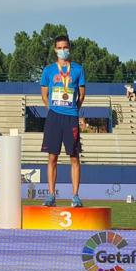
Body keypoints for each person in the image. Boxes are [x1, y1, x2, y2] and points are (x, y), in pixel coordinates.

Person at [40, 35, 86, 207]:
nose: (62, 50)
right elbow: (44, 95)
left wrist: (73, 110)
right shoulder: (49, 70)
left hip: (71, 116)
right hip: (54, 117)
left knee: (74, 157)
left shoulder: (78, 70)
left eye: (65, 47)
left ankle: (75, 196)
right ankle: (51, 195)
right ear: (55, 49)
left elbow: (81, 95)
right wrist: (51, 109)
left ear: (69, 48)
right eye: (59, 47)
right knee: (52, 157)